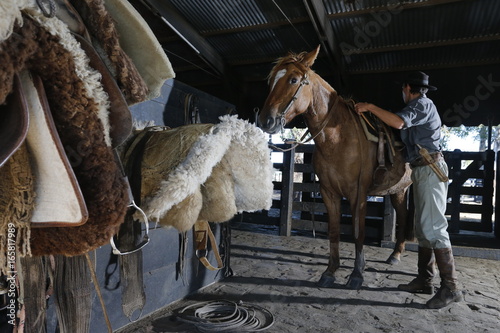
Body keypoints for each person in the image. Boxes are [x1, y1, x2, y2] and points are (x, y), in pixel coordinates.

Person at [354, 71, 463, 309]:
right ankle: (425, 280)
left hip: (430, 168)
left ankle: (451, 287)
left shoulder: (422, 104)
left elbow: (399, 122)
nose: (401, 93)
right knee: (425, 228)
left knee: (434, 227)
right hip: (421, 169)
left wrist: (371, 106)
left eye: (402, 90)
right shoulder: (420, 106)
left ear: (407, 88)